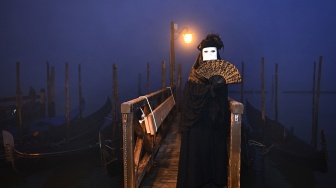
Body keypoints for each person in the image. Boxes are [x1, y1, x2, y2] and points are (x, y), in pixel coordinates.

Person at [177, 33, 230, 188]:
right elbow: (189, 99)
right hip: (197, 123)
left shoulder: (221, 76)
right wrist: (208, 90)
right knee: (197, 157)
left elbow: (222, 101)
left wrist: (217, 89)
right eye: (206, 52)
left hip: (215, 122)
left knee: (215, 156)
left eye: (212, 51)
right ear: (201, 55)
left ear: (217, 54)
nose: (209, 55)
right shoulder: (195, 75)